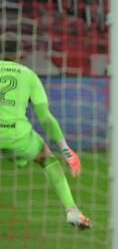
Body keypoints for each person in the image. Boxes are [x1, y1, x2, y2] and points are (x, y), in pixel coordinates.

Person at [0, 59, 91, 229]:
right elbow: (45, 118)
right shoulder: (28, 74)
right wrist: (66, 151)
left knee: (17, 158)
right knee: (48, 161)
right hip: (17, 136)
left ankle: (16, 157)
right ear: (19, 54)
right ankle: (72, 211)